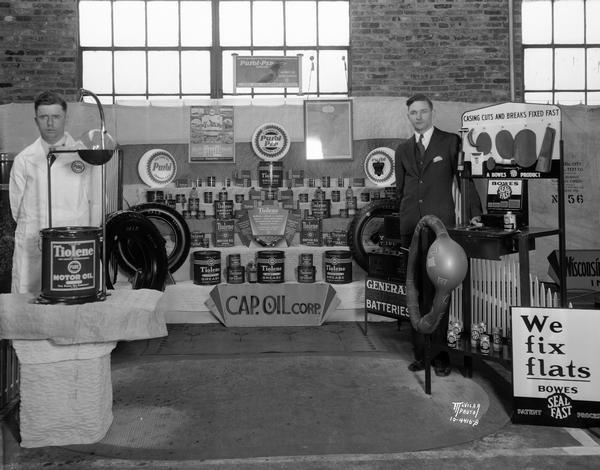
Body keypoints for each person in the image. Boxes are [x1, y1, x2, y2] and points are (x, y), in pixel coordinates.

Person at [394, 94, 482, 377]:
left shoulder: (450, 142)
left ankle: (441, 355)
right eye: (413, 113)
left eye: (422, 112)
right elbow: (401, 189)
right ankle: (422, 355)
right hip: (412, 228)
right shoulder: (403, 149)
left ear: (432, 113)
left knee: (440, 291)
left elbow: (463, 180)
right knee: (417, 290)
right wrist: (403, 219)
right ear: (408, 116)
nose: (418, 117)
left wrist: (474, 212)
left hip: (441, 229)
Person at [9, 90, 101, 294]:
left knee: (73, 298)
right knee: (31, 303)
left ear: (65, 119)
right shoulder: (24, 159)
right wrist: (36, 224)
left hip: (74, 243)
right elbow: (16, 207)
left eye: (56, 117)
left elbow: (95, 202)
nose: (50, 123)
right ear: (36, 120)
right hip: (35, 241)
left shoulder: (83, 156)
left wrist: (86, 238)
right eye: (44, 117)